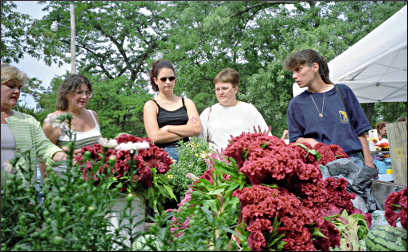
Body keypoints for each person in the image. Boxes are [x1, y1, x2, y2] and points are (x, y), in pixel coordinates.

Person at [284, 49, 375, 170]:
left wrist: (369, 163)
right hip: (321, 167)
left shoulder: (343, 92)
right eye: (293, 72)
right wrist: (312, 142)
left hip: (354, 162)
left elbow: (360, 130)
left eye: (298, 69)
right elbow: (294, 141)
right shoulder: (295, 104)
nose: (294, 76)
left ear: (315, 67)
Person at [1, 64, 66, 187]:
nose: (17, 91)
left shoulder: (28, 121)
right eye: (11, 86)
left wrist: (58, 154)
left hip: (21, 196)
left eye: (19, 87)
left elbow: (44, 146)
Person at [41, 74, 102, 178]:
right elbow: (42, 156)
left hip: (95, 185)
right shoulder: (53, 121)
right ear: (66, 94)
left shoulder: (93, 115)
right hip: (66, 185)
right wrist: (46, 186)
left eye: (88, 93)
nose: (84, 97)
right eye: (79, 92)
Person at [143, 60, 201, 161]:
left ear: (175, 79)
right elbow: (155, 137)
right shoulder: (151, 105)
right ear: (156, 80)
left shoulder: (187, 102)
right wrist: (187, 130)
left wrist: (168, 128)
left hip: (189, 155)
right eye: (163, 79)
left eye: (171, 78)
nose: (168, 82)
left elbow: (196, 129)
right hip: (164, 158)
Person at [200, 68, 270, 151]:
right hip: (215, 161)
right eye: (217, 89)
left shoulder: (249, 110)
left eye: (224, 88)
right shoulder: (208, 113)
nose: (220, 92)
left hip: (245, 161)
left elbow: (266, 137)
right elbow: (198, 143)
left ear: (235, 89)